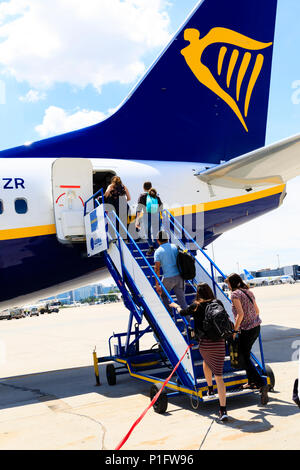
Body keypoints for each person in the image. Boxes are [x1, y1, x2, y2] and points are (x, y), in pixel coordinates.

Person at [170, 282, 228, 422]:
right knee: (219, 375)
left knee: (206, 362)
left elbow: (182, 312)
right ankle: (223, 409)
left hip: (205, 343)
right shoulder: (217, 302)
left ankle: (210, 389)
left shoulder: (196, 305)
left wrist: (176, 306)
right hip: (219, 342)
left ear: (198, 293)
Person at [225, 273, 269, 405]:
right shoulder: (248, 292)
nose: (227, 286)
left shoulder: (235, 295)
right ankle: (251, 382)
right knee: (246, 354)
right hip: (256, 327)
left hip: (247, 329)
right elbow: (257, 310)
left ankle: (261, 384)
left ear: (232, 283)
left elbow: (240, 314)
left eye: (228, 284)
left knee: (244, 357)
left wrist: (235, 329)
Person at [154, 230, 187, 315]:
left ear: (158, 240)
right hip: (180, 277)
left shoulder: (158, 251)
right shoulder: (175, 247)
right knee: (182, 300)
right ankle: (188, 323)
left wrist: (157, 284)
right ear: (167, 238)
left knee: (164, 295)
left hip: (168, 278)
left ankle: (170, 314)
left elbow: (157, 269)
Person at [136, 182, 163, 255]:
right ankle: (159, 247)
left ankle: (151, 247)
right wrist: (161, 217)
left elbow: (139, 208)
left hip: (146, 215)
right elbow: (161, 206)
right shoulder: (155, 195)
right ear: (151, 187)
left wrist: (137, 220)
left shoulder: (142, 196)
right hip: (155, 214)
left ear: (144, 188)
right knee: (156, 232)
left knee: (147, 232)